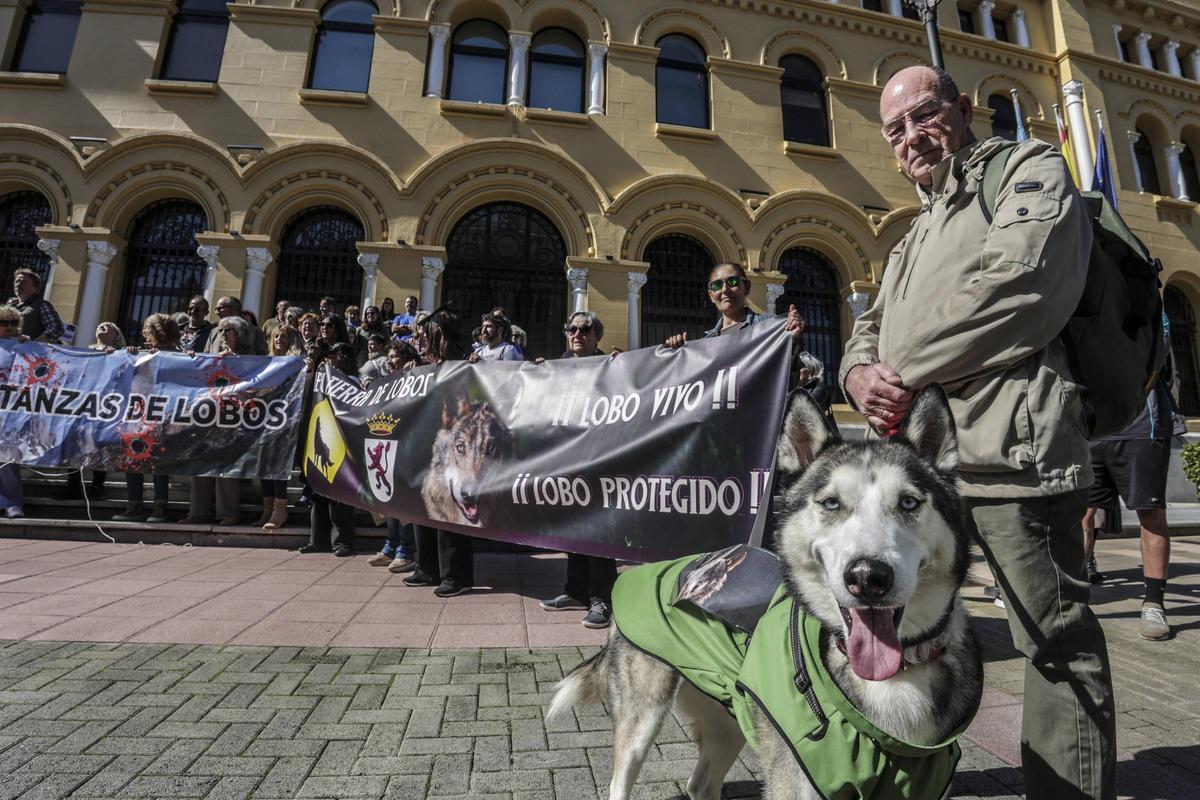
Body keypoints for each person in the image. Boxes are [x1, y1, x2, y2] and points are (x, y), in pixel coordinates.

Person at [839, 66, 1114, 799]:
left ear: (963, 110)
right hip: (921, 482)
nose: (909, 139)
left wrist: (900, 372)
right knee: (914, 630)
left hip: (1008, 453)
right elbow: (864, 332)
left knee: (1052, 639)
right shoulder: (912, 233)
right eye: (894, 130)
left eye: (923, 117)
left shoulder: (1027, 167)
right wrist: (859, 377)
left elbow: (1021, 284)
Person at [1081, 318, 1184, 640]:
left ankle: (1154, 602)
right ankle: (1076, 592)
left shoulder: (1146, 304)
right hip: (1091, 429)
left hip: (1142, 428)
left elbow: (1154, 355)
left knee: (1151, 515)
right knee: (1079, 516)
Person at [538, 311, 618, 628]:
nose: (577, 334)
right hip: (567, 460)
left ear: (596, 335)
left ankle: (602, 598)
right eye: (572, 328)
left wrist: (625, 367)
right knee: (570, 529)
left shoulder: (612, 367)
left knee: (597, 531)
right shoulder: (556, 368)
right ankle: (575, 591)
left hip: (597, 458)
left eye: (585, 329)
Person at [403, 306, 476, 596]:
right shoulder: (430, 362)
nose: (422, 333)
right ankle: (428, 567)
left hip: (453, 444)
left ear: (440, 331)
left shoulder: (459, 356)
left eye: (428, 329)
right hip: (428, 441)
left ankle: (456, 575)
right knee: (425, 505)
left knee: (448, 509)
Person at [180, 313, 256, 526]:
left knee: (225, 465)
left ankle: (228, 512)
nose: (223, 334)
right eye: (221, 330)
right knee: (200, 460)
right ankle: (198, 511)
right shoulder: (212, 355)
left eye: (228, 330)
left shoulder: (249, 357)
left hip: (233, 417)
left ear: (239, 334)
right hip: (209, 414)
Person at [114, 313, 180, 523]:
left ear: (155, 331)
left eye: (146, 329)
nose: (143, 333)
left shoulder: (180, 356)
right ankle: (137, 506)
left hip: (163, 415)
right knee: (134, 457)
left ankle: (158, 507)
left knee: (157, 460)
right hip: (139, 413)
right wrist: (122, 355)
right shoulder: (140, 354)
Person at [366, 343, 422, 573]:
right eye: (388, 357)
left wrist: (415, 370)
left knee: (402, 502)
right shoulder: (386, 383)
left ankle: (406, 551)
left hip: (407, 450)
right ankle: (391, 546)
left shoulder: (415, 377)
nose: (390, 361)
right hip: (386, 449)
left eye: (395, 356)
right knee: (387, 501)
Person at [299, 342, 359, 557]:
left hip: (342, 444)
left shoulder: (353, 382)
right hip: (318, 441)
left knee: (339, 497)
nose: (327, 360)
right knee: (318, 495)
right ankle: (317, 540)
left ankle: (342, 541)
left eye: (332, 356)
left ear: (343, 357)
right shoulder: (319, 378)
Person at [664, 262, 804, 348]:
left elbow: (790, 372)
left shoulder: (769, 325)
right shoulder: (706, 343)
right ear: (711, 295)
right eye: (717, 285)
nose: (725, 290)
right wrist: (679, 352)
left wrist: (793, 336)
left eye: (732, 282)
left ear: (747, 287)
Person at [256, 325, 305, 530]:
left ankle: (280, 509)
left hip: (288, 421)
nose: (278, 340)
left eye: (282, 336)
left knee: (278, 463)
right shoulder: (267, 363)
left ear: (290, 340)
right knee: (264, 464)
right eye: (275, 336)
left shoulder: (296, 364)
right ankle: (267, 509)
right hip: (266, 419)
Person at [0, 306, 26, 517]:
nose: (9, 327)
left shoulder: (28, 346)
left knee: (7, 458)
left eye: (13, 323)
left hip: (13, 412)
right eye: (4, 323)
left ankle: (11, 502)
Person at [8, 269, 64, 343]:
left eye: (23, 281)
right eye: (17, 281)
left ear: (35, 287)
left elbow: (56, 327)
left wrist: (35, 344)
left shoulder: (41, 305)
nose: (18, 284)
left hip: (26, 353)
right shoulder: (9, 306)